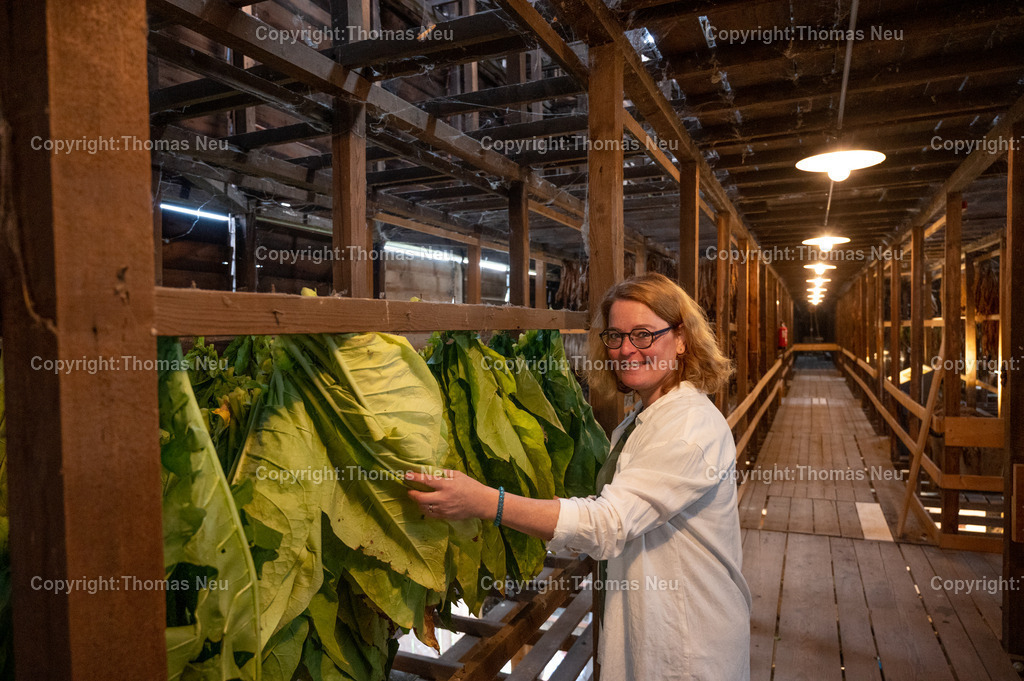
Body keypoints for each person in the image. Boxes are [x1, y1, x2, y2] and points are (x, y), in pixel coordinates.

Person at [407, 272, 751, 681]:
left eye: (643, 335)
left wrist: (487, 502)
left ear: (680, 338)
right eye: (616, 336)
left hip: (687, 644)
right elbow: (612, 508)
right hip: (652, 622)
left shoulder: (688, 428)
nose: (626, 349)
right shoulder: (639, 421)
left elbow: (609, 523)